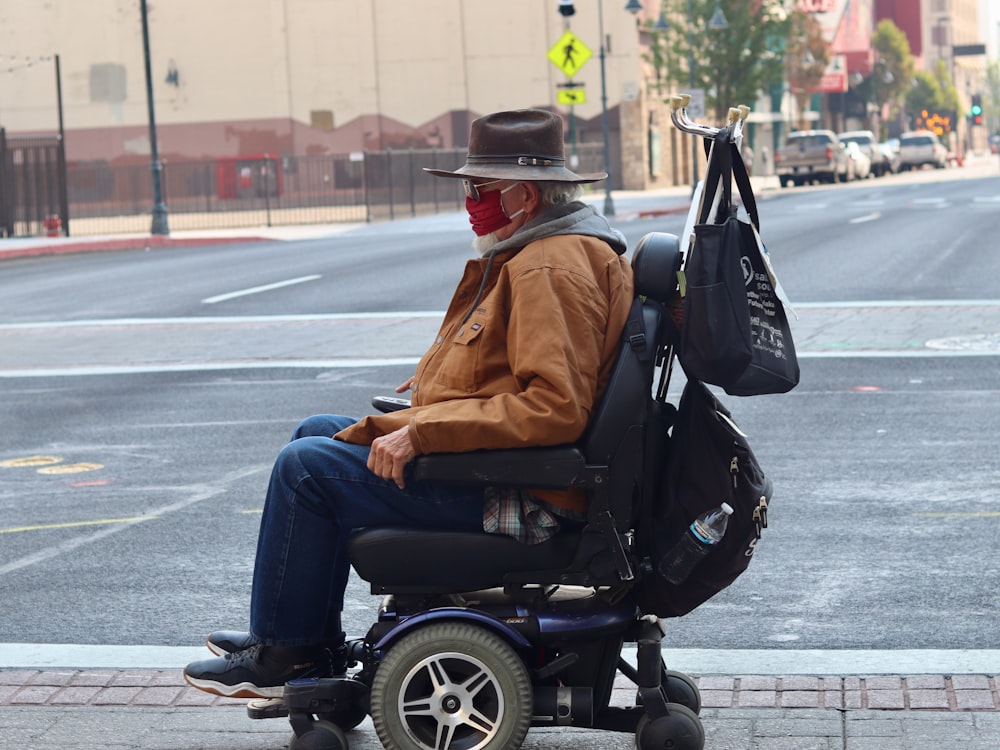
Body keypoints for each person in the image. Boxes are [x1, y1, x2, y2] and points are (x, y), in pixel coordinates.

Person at [183, 108, 635, 699]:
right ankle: (299, 641)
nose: (471, 201)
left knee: (306, 470)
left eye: (479, 188)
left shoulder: (547, 266)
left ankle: (286, 657)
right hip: (517, 472)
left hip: (528, 496)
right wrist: (437, 391)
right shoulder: (545, 251)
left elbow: (554, 408)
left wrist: (421, 433)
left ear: (524, 194)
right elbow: (518, 375)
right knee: (315, 431)